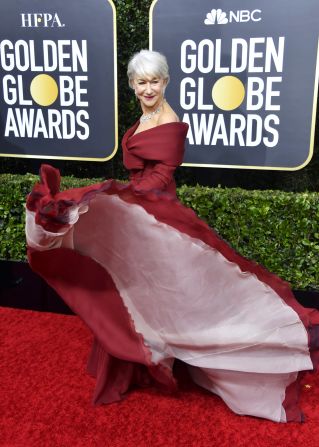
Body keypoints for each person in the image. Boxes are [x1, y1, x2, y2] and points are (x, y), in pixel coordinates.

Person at [26, 50, 319, 423]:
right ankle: (135, 356)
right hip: (137, 209)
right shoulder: (145, 116)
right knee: (131, 284)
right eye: (141, 82)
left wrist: (116, 200)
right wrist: (119, 201)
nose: (148, 88)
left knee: (160, 289)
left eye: (155, 81)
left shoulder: (168, 119)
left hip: (156, 213)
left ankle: (199, 351)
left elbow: (159, 178)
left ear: (165, 82)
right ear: (132, 85)